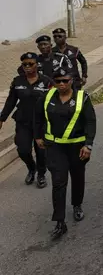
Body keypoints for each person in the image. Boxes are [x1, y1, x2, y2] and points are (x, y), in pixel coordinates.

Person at [34, 64, 96, 240]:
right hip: (55, 148)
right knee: (58, 182)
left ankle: (77, 205)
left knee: (77, 177)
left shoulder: (82, 98)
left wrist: (88, 145)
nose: (61, 84)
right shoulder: (46, 97)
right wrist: (38, 137)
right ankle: (59, 222)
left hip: (77, 147)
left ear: (71, 81)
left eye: (65, 81)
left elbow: (90, 122)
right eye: (58, 81)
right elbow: (37, 118)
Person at [1, 53, 53, 188]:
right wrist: (2, 118)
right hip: (23, 121)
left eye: (31, 64)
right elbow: (11, 101)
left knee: (41, 152)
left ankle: (41, 174)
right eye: (25, 64)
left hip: (41, 123)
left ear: (37, 64)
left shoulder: (47, 81)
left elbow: (54, 102)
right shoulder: (18, 81)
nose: (28, 67)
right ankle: (31, 168)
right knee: (23, 150)